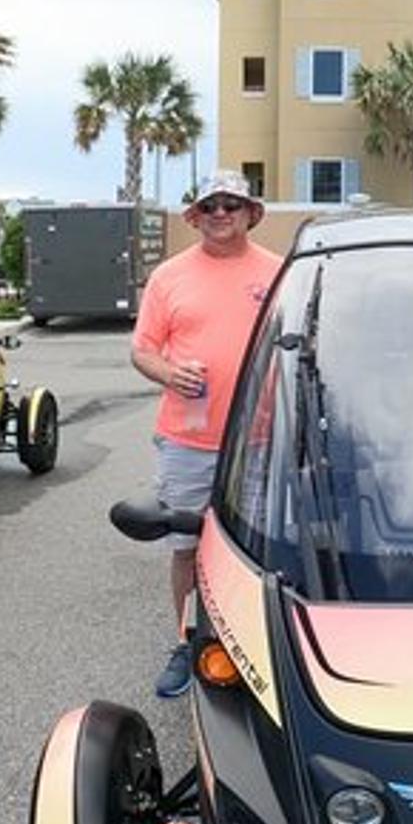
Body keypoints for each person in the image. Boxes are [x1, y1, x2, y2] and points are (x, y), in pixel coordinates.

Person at [131, 170, 281, 697]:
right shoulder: (169, 277)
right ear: (196, 216)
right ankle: (188, 641)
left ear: (250, 213)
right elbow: (142, 350)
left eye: (232, 204)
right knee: (187, 548)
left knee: (258, 551)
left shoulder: (279, 272)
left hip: (262, 442)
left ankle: (255, 643)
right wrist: (170, 373)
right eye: (211, 205)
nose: (221, 213)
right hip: (187, 440)